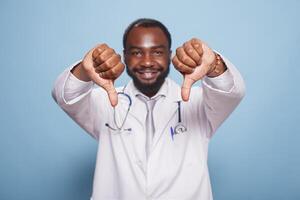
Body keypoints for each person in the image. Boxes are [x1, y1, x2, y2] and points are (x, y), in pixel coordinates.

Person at [52, 18, 245, 200]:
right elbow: (66, 95)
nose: (146, 61)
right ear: (125, 56)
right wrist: (85, 71)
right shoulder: (105, 102)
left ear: (169, 56)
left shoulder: (198, 103)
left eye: (157, 52)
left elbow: (230, 91)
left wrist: (214, 66)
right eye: (136, 52)